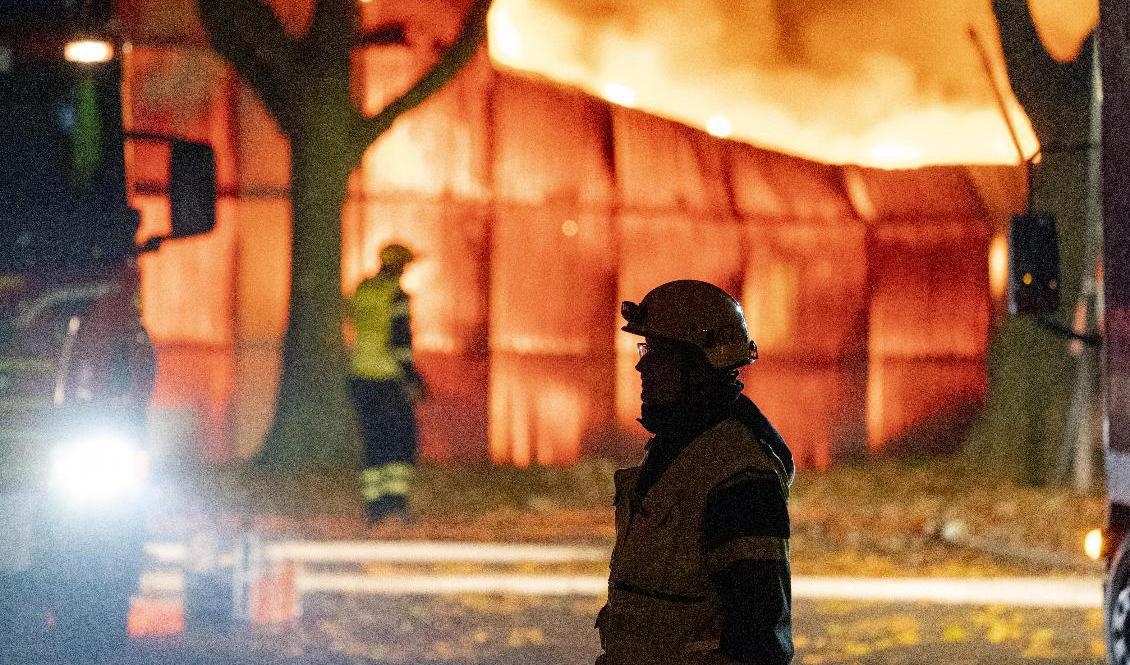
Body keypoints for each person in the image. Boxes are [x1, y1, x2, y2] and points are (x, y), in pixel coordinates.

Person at [596, 279, 795, 665]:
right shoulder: (677, 453)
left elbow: (758, 642)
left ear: (700, 365)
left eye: (658, 352)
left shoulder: (739, 477)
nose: (642, 364)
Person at [347, 243, 427, 523]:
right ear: (398, 267)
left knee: (373, 440)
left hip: (360, 377)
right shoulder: (396, 296)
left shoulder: (363, 291)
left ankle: (374, 505)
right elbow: (400, 342)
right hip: (388, 379)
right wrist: (413, 377)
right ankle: (396, 502)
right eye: (404, 266)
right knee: (402, 441)